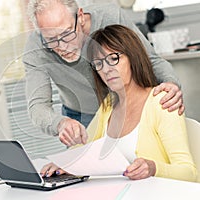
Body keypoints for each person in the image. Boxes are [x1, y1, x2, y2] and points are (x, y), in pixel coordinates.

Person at [40, 24, 197, 182]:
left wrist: (153, 168)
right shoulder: (108, 105)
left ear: (133, 57)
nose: (106, 69)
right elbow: (85, 149)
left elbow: (189, 173)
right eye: (99, 64)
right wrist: (65, 165)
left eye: (114, 58)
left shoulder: (162, 101)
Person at [23, 0, 184, 147]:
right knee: (87, 173)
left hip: (127, 108)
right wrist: (60, 124)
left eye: (67, 34)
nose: (63, 47)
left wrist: (170, 83)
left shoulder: (110, 16)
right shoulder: (35, 48)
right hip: (81, 116)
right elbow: (38, 106)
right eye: (52, 40)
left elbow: (150, 60)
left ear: (80, 17)